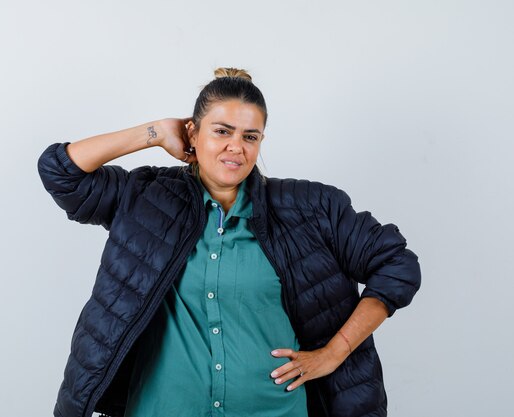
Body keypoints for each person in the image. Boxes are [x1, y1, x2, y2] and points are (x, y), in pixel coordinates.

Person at [37, 67, 421, 417]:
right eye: (221, 131)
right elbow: (61, 172)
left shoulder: (311, 208)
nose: (236, 147)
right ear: (193, 132)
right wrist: (152, 132)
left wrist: (334, 354)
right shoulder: (146, 197)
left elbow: (397, 264)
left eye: (249, 136)